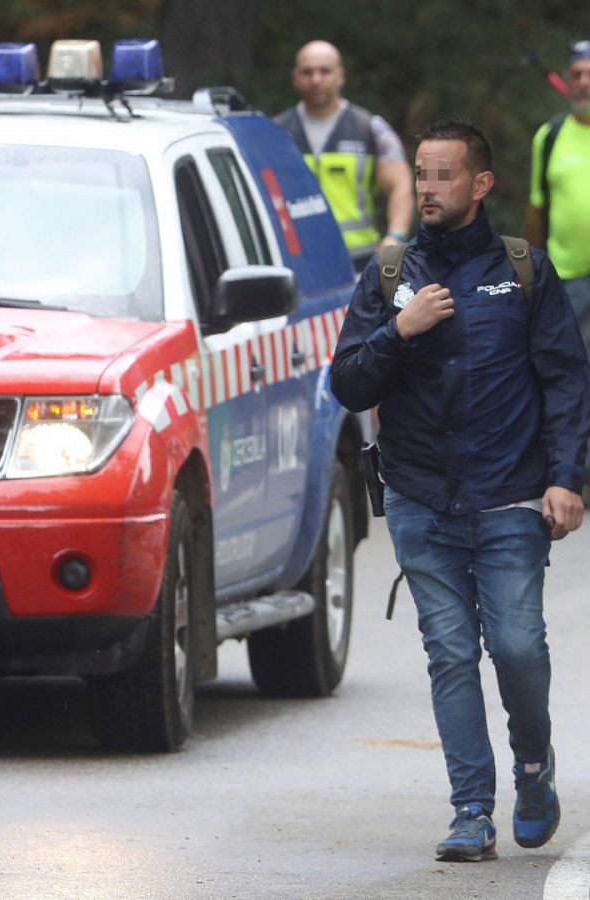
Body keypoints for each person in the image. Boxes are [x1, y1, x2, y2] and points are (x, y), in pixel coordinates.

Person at [331, 119, 590, 862]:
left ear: (480, 184)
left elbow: (565, 382)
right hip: (419, 498)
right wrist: (400, 330)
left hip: (511, 495)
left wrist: (566, 478)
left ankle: (533, 767)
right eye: (420, 173)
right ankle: (471, 810)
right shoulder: (389, 275)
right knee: (449, 654)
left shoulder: (525, 270)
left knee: (517, 646)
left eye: (443, 175)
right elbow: (347, 385)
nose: (427, 187)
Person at [275, 40, 415, 268]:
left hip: (358, 261)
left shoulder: (370, 128)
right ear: (295, 77)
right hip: (296, 260)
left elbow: (400, 186)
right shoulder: (276, 133)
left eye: (325, 71)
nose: (316, 79)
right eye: (307, 72)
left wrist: (395, 236)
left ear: (340, 76)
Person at [526, 41, 590, 357]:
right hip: (567, 277)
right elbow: (536, 207)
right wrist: (532, 273)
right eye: (576, 75)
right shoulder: (549, 136)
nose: (584, 83)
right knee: (571, 362)